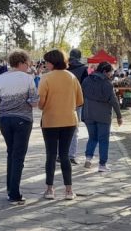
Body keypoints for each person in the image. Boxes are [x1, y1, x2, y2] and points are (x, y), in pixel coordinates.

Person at [0, 49, 39, 204]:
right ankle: (14, 193)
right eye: (27, 63)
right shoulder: (28, 78)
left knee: (11, 152)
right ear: (21, 63)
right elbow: (33, 101)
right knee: (18, 155)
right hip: (23, 119)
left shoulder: (0, 78)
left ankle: (10, 188)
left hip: (4, 119)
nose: (28, 66)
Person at [38, 49, 84, 200]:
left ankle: (50, 189)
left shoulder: (46, 78)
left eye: (46, 62)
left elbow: (41, 102)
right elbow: (79, 101)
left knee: (51, 155)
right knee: (64, 155)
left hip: (50, 120)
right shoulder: (72, 77)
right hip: (69, 120)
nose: (45, 65)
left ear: (52, 62)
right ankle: (69, 190)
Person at [82, 61, 123, 172]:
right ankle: (102, 164)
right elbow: (114, 101)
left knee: (92, 137)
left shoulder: (86, 80)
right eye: (110, 73)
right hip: (103, 116)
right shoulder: (107, 84)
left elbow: (81, 96)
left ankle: (88, 158)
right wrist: (119, 116)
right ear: (105, 72)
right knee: (103, 140)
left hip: (88, 113)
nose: (111, 75)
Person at [66, 49, 89, 165]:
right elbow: (85, 86)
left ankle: (61, 154)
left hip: (62, 101)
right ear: (79, 57)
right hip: (77, 101)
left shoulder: (63, 66)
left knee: (60, 128)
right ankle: (71, 155)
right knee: (74, 129)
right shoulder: (83, 69)